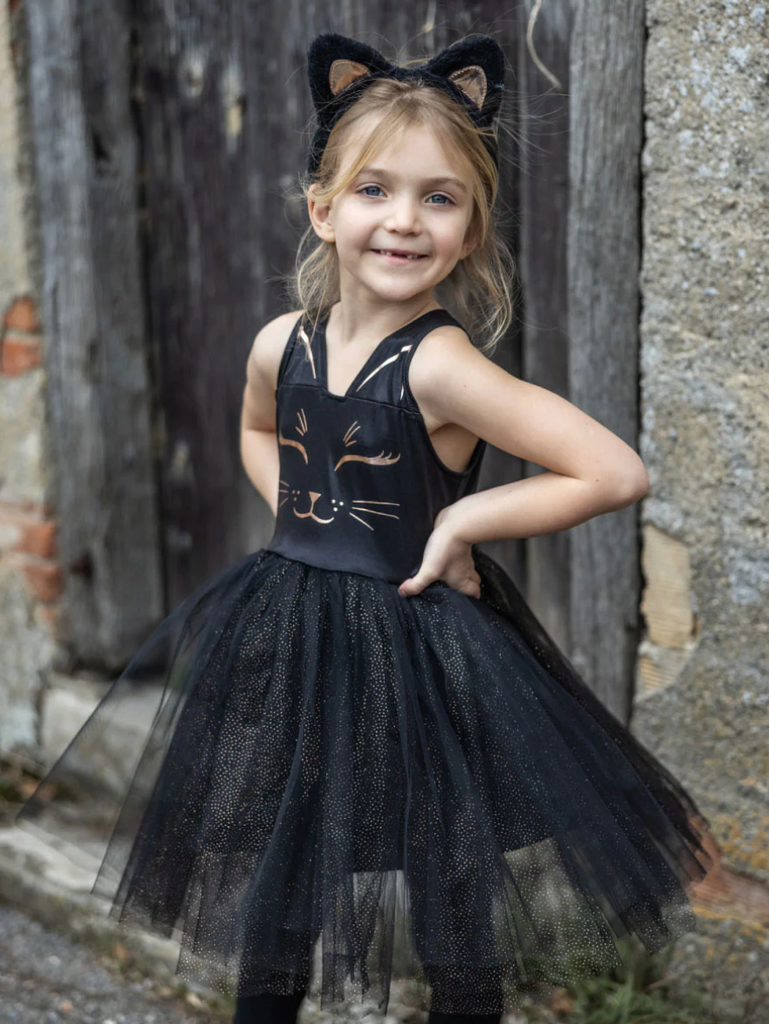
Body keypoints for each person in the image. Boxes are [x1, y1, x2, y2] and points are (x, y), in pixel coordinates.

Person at [15, 30, 714, 1024]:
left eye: (439, 198)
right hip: (292, 634)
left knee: (448, 877)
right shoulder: (280, 343)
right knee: (282, 870)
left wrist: (464, 516)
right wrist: (302, 514)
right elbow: (259, 428)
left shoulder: (440, 366)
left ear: (471, 231)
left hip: (419, 643)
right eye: (375, 191)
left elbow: (612, 468)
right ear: (323, 209)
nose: (404, 220)